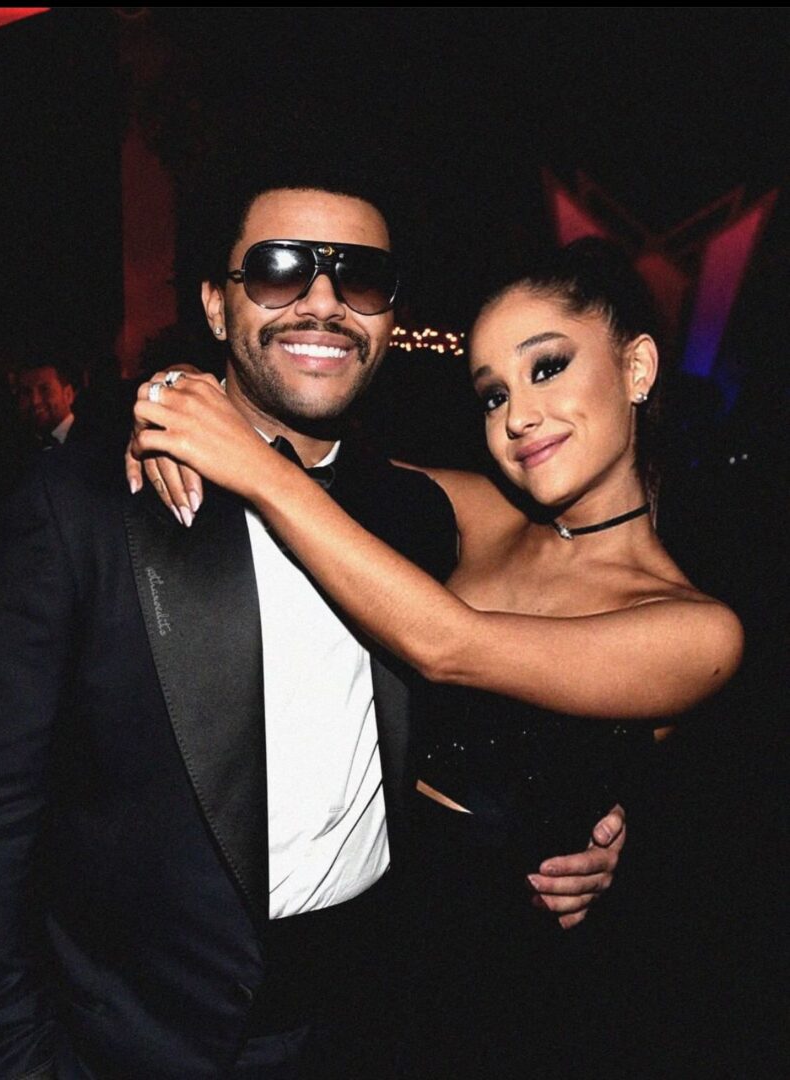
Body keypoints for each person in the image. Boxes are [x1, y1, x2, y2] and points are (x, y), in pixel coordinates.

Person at [0, 177, 626, 1080]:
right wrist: (14, 1058)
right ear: (217, 307)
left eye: (359, 277)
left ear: (388, 319)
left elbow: (524, 666)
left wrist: (584, 817)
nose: (323, 301)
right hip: (129, 1043)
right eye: (279, 268)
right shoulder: (82, 506)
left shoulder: (415, 514)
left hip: (376, 1025)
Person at [128, 237, 744, 1077]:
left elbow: (447, 645)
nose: (517, 416)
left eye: (548, 367)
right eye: (493, 394)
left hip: (505, 997)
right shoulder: (484, 514)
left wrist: (252, 467)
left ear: (636, 368)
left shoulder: (698, 631)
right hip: (359, 950)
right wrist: (172, 399)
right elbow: (315, 463)